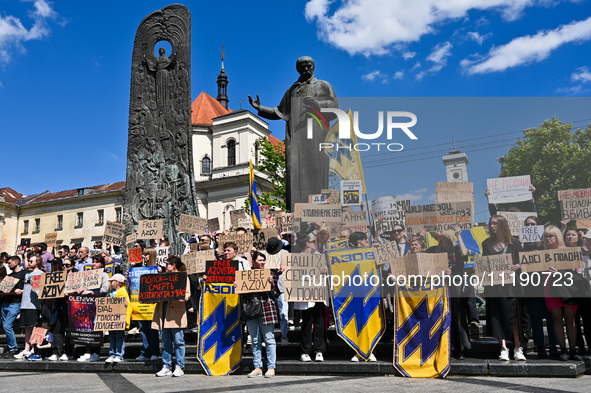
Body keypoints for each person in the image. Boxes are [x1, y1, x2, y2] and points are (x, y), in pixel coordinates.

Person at [249, 56, 338, 211]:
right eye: (302, 67)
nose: (305, 69)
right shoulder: (292, 90)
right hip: (296, 140)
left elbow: (334, 107)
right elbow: (279, 112)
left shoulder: (323, 86)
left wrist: (317, 105)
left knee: (316, 172)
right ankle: (296, 213)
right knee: (295, 174)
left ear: (313, 67)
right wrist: (260, 108)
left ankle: (318, 211)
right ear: (298, 69)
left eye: (308, 66)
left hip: (316, 137)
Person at [481, 215, 525, 361]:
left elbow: (523, 262)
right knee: (498, 315)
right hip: (494, 286)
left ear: (502, 225)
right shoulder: (486, 244)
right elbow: (484, 264)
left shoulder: (514, 244)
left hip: (512, 285)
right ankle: (503, 348)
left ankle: (518, 347)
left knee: (513, 315)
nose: (492, 226)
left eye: (495, 224)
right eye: (491, 224)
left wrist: (519, 266)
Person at [426, 227, 471, 360]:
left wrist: (459, 235)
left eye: (441, 229)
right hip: (440, 286)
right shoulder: (435, 249)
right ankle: (445, 347)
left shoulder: (456, 248)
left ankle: (460, 348)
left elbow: (464, 254)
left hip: (455, 286)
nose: (438, 231)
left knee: (456, 316)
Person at [521, 216, 559, 359]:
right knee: (535, 319)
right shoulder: (523, 247)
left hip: (549, 288)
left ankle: (554, 346)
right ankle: (540, 347)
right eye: (527, 225)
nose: (530, 227)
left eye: (533, 224)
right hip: (532, 288)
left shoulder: (545, 246)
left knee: (551, 318)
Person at [543, 225, 582, 361]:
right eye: (546, 236)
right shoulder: (542, 254)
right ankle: (563, 350)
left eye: (551, 236)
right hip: (550, 290)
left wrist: (560, 273)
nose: (548, 239)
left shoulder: (568, 251)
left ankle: (572, 349)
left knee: (570, 320)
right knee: (557, 319)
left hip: (567, 289)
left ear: (557, 237)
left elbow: (575, 272)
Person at [243, 251, 280, 378]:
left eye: (263, 260)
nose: (262, 262)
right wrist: (237, 286)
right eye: (259, 260)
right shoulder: (247, 275)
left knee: (269, 339)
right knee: (255, 339)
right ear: (253, 262)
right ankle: (257, 367)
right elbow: (243, 293)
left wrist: (271, 284)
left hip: (266, 309)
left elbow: (276, 294)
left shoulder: (271, 274)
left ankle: (271, 367)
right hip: (252, 310)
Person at [153, 256, 191, 377]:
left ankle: (179, 366)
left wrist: (184, 298)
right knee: (165, 341)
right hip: (163, 311)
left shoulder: (182, 277)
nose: (165, 266)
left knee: (178, 340)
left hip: (176, 313)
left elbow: (187, 293)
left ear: (173, 265)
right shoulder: (162, 277)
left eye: (167, 264)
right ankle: (166, 365)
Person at [77, 255, 110, 362]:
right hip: (86, 305)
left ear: (102, 264)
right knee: (87, 328)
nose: (93, 264)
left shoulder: (104, 275)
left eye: (96, 262)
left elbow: (105, 290)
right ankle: (88, 351)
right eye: (93, 262)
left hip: (97, 305)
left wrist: (90, 292)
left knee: (96, 330)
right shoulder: (88, 275)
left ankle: (96, 353)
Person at [14, 255, 44, 359]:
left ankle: (34, 349)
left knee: (34, 327)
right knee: (27, 328)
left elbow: (38, 291)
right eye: (28, 261)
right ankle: (26, 349)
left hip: (33, 305)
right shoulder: (28, 274)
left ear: (38, 262)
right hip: (25, 304)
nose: (29, 262)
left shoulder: (40, 274)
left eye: (31, 261)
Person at [1, 255, 27, 358]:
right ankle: (11, 346)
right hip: (6, 303)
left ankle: (13, 348)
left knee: (7, 326)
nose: (8, 264)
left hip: (15, 303)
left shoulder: (24, 274)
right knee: (5, 326)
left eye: (9, 262)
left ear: (16, 262)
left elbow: (30, 288)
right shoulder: (10, 275)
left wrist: (20, 291)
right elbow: (3, 291)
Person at [105, 274, 131, 363]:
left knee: (119, 336)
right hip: (112, 319)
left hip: (120, 319)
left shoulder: (123, 292)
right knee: (112, 336)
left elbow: (128, 305)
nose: (111, 283)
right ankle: (112, 354)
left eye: (112, 281)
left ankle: (119, 354)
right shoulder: (111, 293)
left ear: (117, 283)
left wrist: (126, 305)